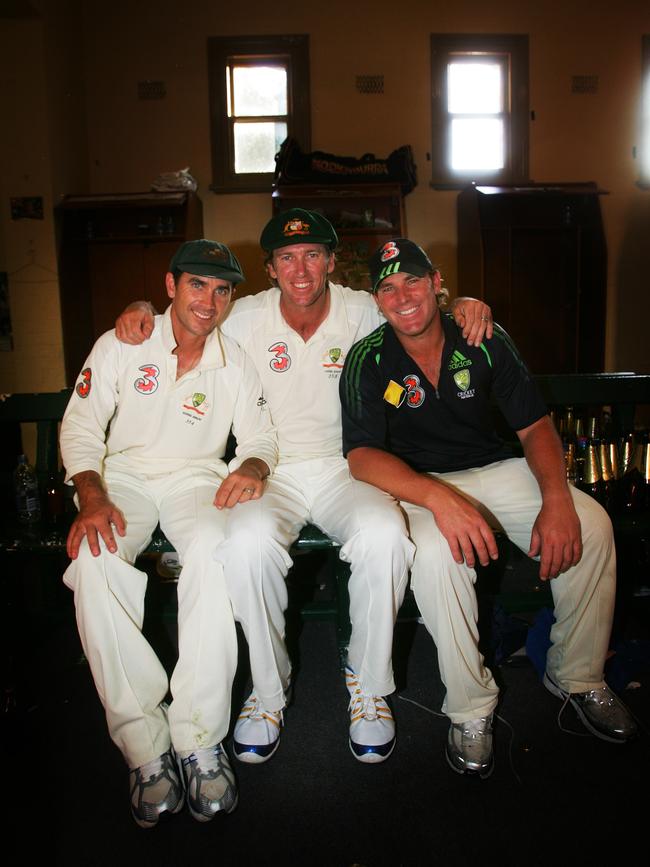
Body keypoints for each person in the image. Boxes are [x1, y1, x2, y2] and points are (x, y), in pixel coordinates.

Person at [115, 209, 493, 765]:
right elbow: (187, 315)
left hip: (350, 467)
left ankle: (368, 686)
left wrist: (462, 303)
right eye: (287, 257)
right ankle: (269, 692)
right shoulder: (243, 316)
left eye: (313, 254)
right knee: (242, 546)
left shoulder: (365, 311)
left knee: (387, 535)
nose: (300, 268)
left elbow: (419, 313)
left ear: (332, 262)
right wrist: (142, 308)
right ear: (269, 269)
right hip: (270, 470)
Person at [339, 237, 637, 777]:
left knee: (591, 524)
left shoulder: (481, 335)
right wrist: (438, 499)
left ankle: (577, 675)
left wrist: (556, 499)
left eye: (413, 281)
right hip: (420, 484)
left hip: (496, 470)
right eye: (388, 288)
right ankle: (470, 708)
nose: (402, 296)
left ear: (436, 283)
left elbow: (534, 425)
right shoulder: (368, 358)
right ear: (377, 300)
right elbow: (360, 456)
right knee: (436, 554)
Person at [60, 240, 278, 827]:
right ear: (170, 285)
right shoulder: (122, 343)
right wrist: (92, 494)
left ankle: (200, 740)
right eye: (197, 285)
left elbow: (259, 438)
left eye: (222, 289)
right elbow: (80, 425)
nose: (209, 301)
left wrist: (254, 466)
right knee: (94, 560)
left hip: (194, 479)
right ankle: (146, 748)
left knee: (215, 551)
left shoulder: (235, 361)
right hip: (122, 477)